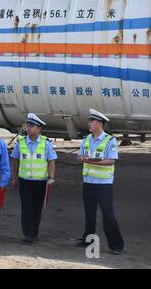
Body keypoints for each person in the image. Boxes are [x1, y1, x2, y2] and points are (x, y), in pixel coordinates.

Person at [76, 109, 124, 255]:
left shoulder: (110, 140)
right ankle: (88, 240)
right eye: (90, 121)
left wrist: (90, 161)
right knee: (89, 213)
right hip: (88, 182)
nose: (89, 124)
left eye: (92, 121)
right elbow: (80, 156)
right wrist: (81, 159)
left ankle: (116, 245)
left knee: (108, 214)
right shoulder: (86, 139)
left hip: (103, 185)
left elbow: (111, 161)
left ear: (100, 124)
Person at [10, 113, 57, 243]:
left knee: (36, 208)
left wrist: (51, 177)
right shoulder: (21, 143)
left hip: (40, 182)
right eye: (28, 125)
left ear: (39, 128)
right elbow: (15, 160)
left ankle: (34, 233)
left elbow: (51, 161)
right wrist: (14, 178)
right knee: (26, 208)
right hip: (25, 181)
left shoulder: (46, 143)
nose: (29, 128)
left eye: (32, 126)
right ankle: (27, 234)